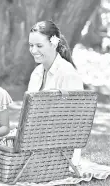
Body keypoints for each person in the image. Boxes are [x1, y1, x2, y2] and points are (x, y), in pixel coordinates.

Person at [27, 20, 84, 166]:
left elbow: (75, 122)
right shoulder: (37, 73)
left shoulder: (67, 73)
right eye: (31, 45)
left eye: (39, 46)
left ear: (53, 43)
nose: (33, 50)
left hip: (60, 152)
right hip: (35, 143)